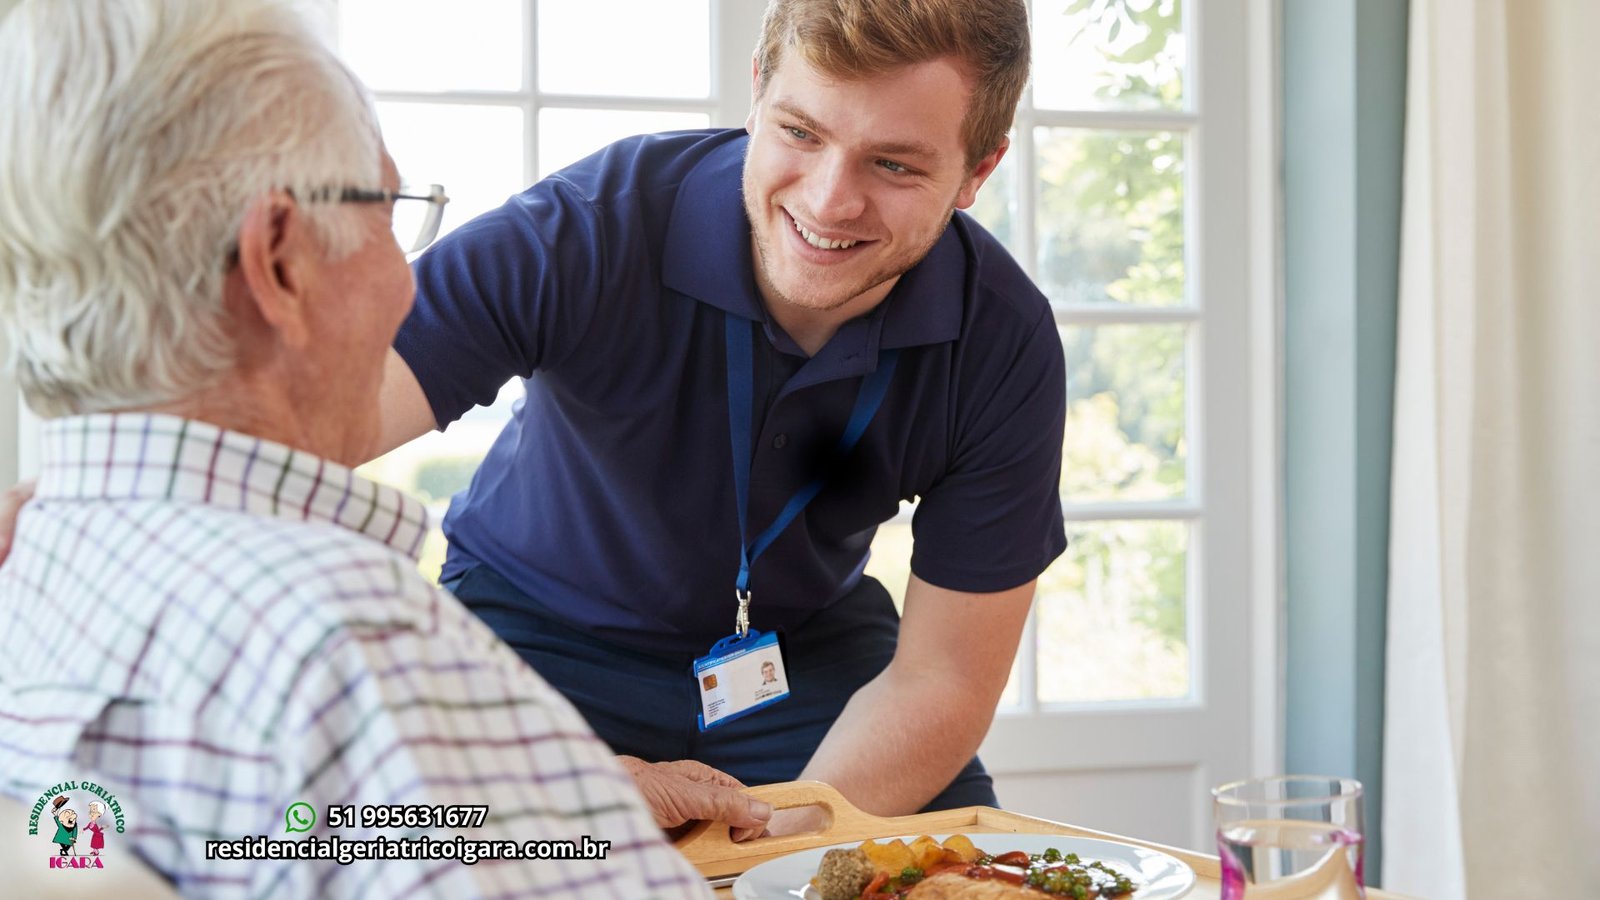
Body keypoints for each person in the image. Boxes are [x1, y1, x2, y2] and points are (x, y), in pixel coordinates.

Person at [0, 0, 755, 895]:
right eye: (386, 209)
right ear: (280, 260)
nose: (409, 282)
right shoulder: (354, 643)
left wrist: (551, 797)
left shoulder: (36, 563)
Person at [374, 0, 1066, 825]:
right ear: (756, 93)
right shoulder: (588, 229)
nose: (828, 201)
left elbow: (942, 679)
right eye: (801, 133)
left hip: (800, 654)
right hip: (531, 636)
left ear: (977, 173)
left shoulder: (1004, 339)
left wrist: (788, 850)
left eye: (894, 166)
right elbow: (287, 427)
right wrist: (553, 797)